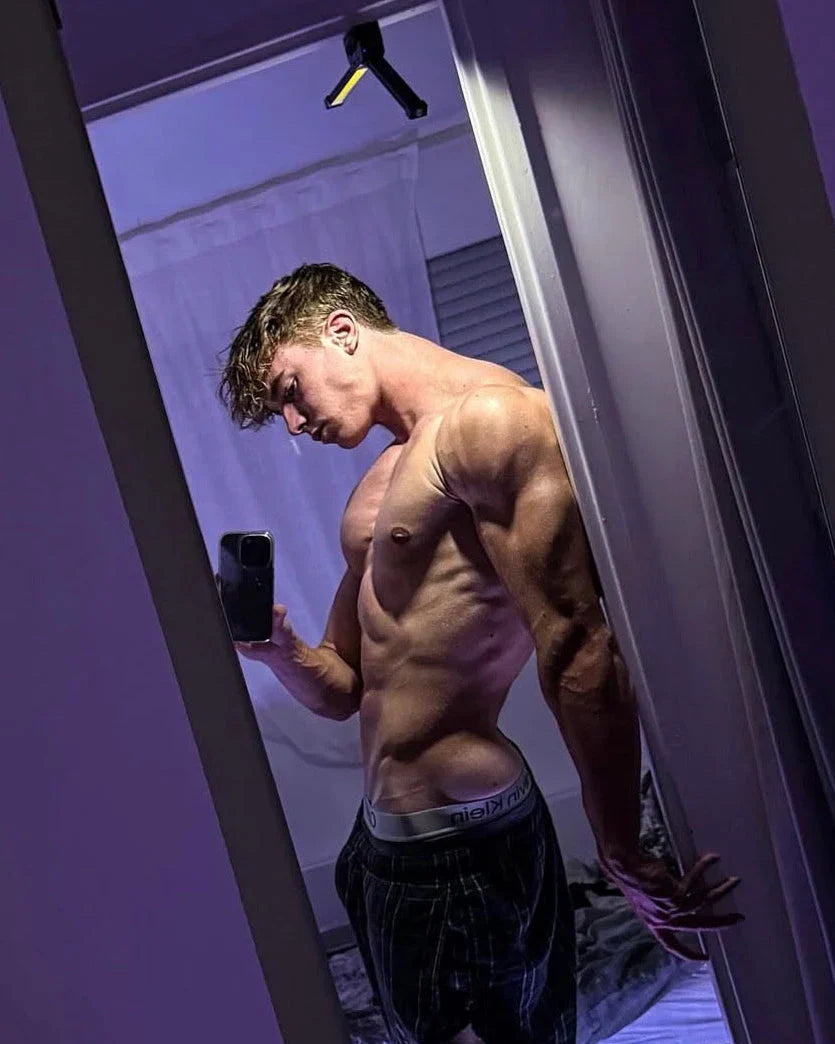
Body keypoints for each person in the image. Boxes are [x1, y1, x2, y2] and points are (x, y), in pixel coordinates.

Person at [218, 263, 742, 1044]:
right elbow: (347, 687)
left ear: (341, 332)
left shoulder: (493, 423)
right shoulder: (381, 481)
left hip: (467, 845)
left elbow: (573, 640)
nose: (294, 425)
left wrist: (618, 845)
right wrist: (278, 650)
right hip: (381, 845)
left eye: (290, 391)